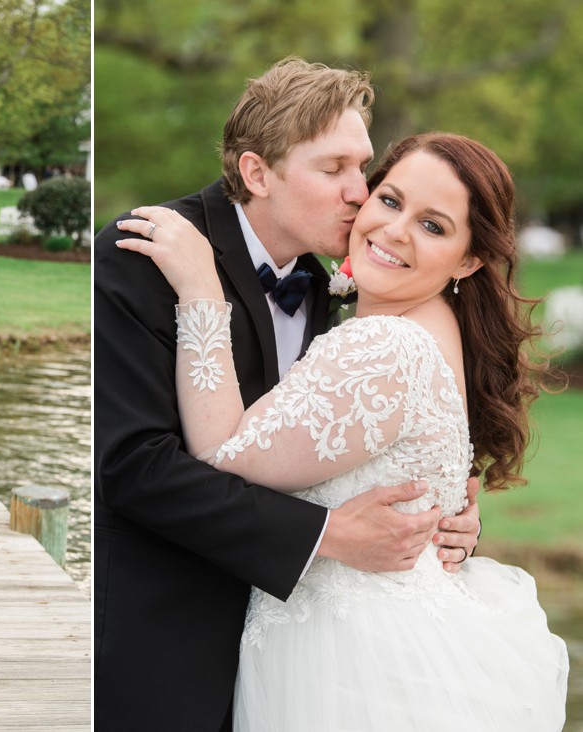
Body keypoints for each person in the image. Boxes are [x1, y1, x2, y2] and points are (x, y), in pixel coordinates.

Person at [117, 131, 569, 729]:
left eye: (433, 226)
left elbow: (225, 450)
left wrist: (202, 290)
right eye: (390, 200)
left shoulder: (385, 343)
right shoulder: (415, 320)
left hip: (350, 663)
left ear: (469, 259)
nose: (395, 230)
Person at [93, 57, 482, 731]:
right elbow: (134, 466)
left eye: (364, 168)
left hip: (305, 664)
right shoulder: (147, 255)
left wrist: (443, 521)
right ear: (256, 173)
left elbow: (352, 438)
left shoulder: (340, 287)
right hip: (164, 649)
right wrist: (327, 535)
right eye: (333, 170)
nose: (360, 193)